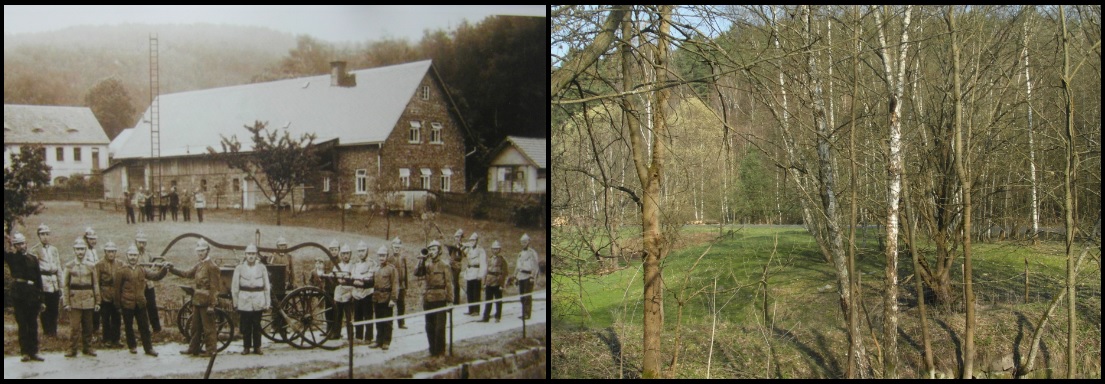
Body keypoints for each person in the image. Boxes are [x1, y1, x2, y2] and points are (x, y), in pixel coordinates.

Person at [168, 238, 223, 357]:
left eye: (202, 251)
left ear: (208, 251)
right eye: (198, 251)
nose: (200, 253)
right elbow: (187, 274)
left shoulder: (212, 267)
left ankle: (211, 350)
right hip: (197, 300)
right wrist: (172, 269)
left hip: (207, 301)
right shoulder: (199, 264)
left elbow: (215, 288)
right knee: (195, 327)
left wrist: (212, 305)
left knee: (209, 328)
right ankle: (193, 348)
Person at [115, 244, 167, 356]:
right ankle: (132, 346)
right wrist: (118, 306)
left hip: (140, 303)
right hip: (127, 303)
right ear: (127, 256)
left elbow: (156, 276)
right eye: (131, 255)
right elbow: (117, 290)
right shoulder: (121, 271)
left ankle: (148, 348)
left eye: (135, 255)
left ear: (138, 256)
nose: (133, 257)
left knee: (144, 326)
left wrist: (164, 269)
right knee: (128, 326)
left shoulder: (142, 269)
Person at [6, 232, 46, 362]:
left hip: (33, 295)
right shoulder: (12, 258)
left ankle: (34, 351)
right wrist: (7, 239)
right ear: (15, 246)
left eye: (23, 243)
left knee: (33, 324)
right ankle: (25, 352)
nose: (22, 246)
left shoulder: (33, 258)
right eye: (18, 244)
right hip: (19, 295)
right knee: (22, 324)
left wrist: (42, 300)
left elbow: (39, 280)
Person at [61, 237, 101, 357]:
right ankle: (72, 349)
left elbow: (95, 284)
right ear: (74, 250)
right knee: (74, 327)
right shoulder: (69, 266)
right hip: (75, 301)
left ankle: (88, 347)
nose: (80, 252)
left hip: (89, 300)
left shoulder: (91, 266)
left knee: (88, 326)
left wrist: (97, 301)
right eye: (78, 249)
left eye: (82, 249)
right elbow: (65, 285)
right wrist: (66, 302)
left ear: (85, 250)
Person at [414, 240, 452, 357]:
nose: (431, 252)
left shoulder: (444, 265)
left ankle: (440, 351)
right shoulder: (427, 264)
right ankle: (432, 350)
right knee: (429, 327)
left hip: (440, 298)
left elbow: (449, 283)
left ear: (439, 251)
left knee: (439, 327)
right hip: (428, 298)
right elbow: (417, 273)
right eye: (430, 249)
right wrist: (422, 259)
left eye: (434, 249)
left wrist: (450, 301)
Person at [231, 244, 271, 355]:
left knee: (257, 325)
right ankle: (246, 347)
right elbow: (235, 287)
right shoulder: (239, 268)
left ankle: (257, 347)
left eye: (253, 254)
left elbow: (267, 286)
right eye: (249, 254)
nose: (251, 256)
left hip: (258, 300)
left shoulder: (262, 267)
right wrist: (236, 303)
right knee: (246, 325)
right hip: (244, 300)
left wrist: (267, 302)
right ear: (245, 255)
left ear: (256, 255)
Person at [34, 224, 61, 337]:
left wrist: (61, 285)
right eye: (42, 234)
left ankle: (54, 331)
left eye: (47, 234)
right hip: (43, 281)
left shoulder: (54, 249)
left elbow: (58, 267)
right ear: (39, 236)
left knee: (54, 308)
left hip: (54, 281)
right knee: (45, 308)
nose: (45, 237)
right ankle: (47, 331)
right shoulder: (35, 250)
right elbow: (35, 270)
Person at [95, 238, 123, 348]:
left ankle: (116, 339)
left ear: (116, 252)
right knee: (105, 319)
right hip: (104, 294)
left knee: (117, 318)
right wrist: (98, 297)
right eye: (109, 251)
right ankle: (106, 339)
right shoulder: (99, 264)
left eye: (113, 251)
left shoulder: (120, 263)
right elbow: (96, 282)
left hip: (116, 295)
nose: (111, 254)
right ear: (105, 252)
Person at [371, 245, 399, 351]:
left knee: (387, 321)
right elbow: (373, 283)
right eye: (379, 256)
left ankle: (386, 341)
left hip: (387, 298)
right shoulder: (376, 268)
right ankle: (379, 340)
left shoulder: (392, 269)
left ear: (387, 256)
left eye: (383, 256)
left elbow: (395, 285)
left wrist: (393, 299)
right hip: (377, 297)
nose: (381, 258)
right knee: (378, 320)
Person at [135, 231, 162, 332]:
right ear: (136, 242)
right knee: (140, 307)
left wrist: (154, 268)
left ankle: (156, 328)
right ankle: (143, 329)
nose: (141, 245)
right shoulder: (133, 254)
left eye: (143, 243)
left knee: (152, 306)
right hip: (139, 285)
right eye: (139, 242)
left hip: (149, 284)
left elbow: (152, 265)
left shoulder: (148, 254)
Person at [479, 240, 508, 323]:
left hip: (497, 281)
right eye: (494, 249)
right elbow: (486, 271)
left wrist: (502, 284)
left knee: (498, 300)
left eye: (497, 249)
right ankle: (486, 316)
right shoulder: (489, 259)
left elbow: (504, 272)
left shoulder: (502, 260)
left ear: (499, 250)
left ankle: (497, 316)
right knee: (488, 300)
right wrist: (484, 282)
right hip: (489, 281)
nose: (495, 251)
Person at [351, 241, 375, 342]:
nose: (361, 253)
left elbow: (369, 279)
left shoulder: (372, 263)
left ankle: (368, 337)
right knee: (357, 316)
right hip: (356, 293)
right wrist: (360, 279)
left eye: (363, 251)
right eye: (359, 251)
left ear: (367, 251)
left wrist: (359, 279)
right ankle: (358, 336)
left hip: (367, 293)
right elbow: (352, 278)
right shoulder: (355, 265)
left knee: (368, 316)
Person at [331, 244, 355, 339]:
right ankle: (336, 333)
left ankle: (350, 335)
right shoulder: (338, 265)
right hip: (339, 290)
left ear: (350, 254)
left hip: (349, 290)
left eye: (347, 253)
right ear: (341, 255)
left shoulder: (353, 265)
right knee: (338, 314)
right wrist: (338, 279)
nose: (345, 256)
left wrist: (345, 279)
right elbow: (334, 277)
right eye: (344, 254)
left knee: (348, 315)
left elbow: (353, 278)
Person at [513, 233, 539, 320]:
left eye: (525, 242)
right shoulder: (520, 254)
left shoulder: (532, 253)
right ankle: (524, 312)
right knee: (522, 295)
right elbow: (517, 266)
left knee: (527, 295)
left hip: (528, 276)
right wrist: (515, 276)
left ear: (528, 242)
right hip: (521, 275)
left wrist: (532, 276)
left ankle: (527, 313)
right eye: (522, 242)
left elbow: (535, 266)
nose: (523, 243)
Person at [463, 232, 487, 316]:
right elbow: (463, 252)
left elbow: (483, 263)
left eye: (473, 240)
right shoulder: (469, 249)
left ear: (477, 241)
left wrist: (481, 274)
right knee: (469, 292)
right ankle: (470, 309)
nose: (472, 241)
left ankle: (476, 310)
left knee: (476, 292)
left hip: (476, 271)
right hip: (470, 272)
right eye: (471, 240)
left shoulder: (480, 250)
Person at [389, 236, 409, 329]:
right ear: (392, 247)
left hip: (401, 286)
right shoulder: (389, 258)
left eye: (398, 247)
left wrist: (406, 285)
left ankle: (401, 323)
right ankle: (390, 324)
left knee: (401, 305)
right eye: (395, 246)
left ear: (400, 247)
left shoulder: (403, 258)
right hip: (392, 286)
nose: (396, 248)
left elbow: (406, 272)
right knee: (391, 304)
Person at [449, 229, 465, 305]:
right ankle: (453, 299)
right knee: (452, 282)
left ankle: (456, 300)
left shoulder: (462, 246)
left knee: (455, 283)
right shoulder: (452, 246)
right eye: (456, 237)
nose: (458, 239)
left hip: (457, 266)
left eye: (459, 237)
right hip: (451, 265)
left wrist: (460, 248)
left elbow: (462, 255)